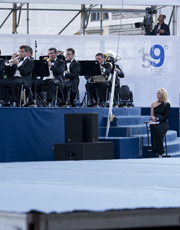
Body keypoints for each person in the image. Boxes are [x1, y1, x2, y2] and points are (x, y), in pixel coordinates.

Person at [149, 88, 170, 157]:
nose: (157, 95)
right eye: (157, 93)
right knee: (154, 127)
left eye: (159, 93)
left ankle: (159, 152)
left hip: (163, 122)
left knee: (158, 130)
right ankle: (157, 150)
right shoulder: (153, 103)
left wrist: (158, 119)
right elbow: (151, 115)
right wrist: (153, 118)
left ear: (163, 95)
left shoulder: (167, 104)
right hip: (155, 122)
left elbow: (166, 117)